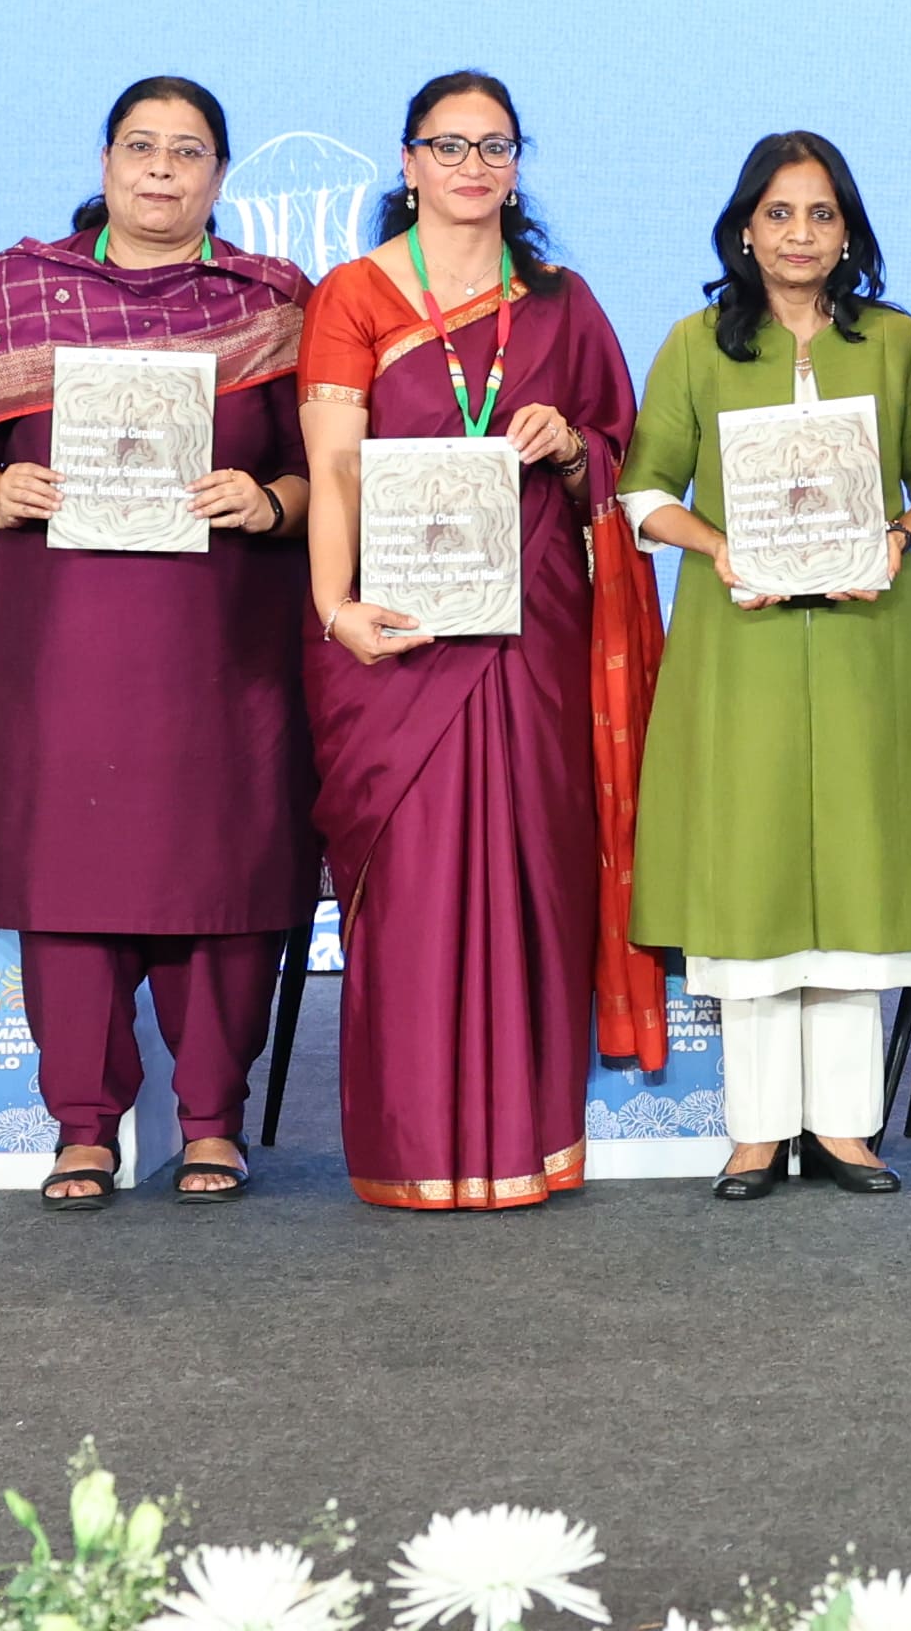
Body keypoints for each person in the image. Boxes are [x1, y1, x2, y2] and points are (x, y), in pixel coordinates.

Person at [0, 77, 318, 1207]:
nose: (161, 168)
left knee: (223, 880)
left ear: (221, 175)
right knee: (70, 881)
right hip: (58, 648)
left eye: (188, 151)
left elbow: (332, 468)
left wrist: (271, 501)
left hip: (226, 651)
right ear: (106, 162)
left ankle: (213, 1122)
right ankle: (82, 1124)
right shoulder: (21, 289)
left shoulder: (274, 302)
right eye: (140, 146)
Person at [299, 71, 654, 1210]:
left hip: (531, 634)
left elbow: (625, 456)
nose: (471, 166)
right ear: (408, 164)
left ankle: (531, 1142)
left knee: (535, 877)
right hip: (394, 639)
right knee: (411, 891)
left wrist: (572, 443)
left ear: (516, 166)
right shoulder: (353, 294)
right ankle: (413, 1148)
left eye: (494, 146)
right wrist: (335, 608)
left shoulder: (562, 303)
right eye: (447, 146)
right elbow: (333, 469)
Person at [620, 134, 911, 1200]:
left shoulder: (896, 341)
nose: (799, 234)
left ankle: (846, 1129)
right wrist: (718, 545)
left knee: (864, 869)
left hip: (870, 643)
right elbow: (645, 491)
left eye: (822, 214)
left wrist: (900, 535)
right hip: (742, 646)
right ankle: (755, 1131)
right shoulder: (695, 345)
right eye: (779, 213)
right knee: (751, 871)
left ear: (848, 232)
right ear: (745, 229)